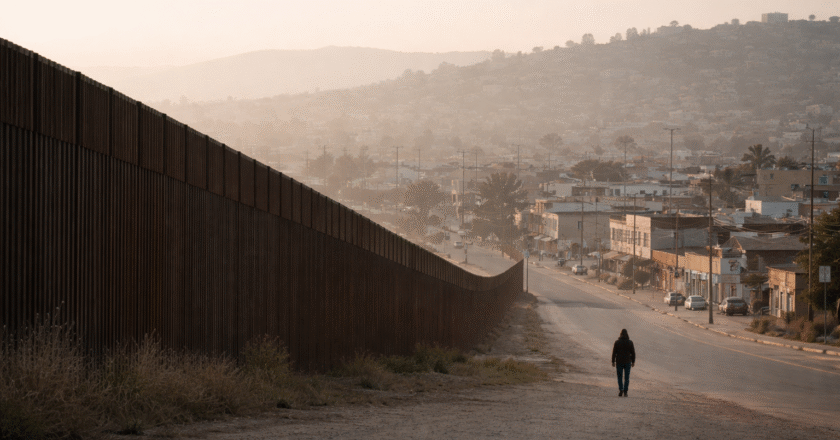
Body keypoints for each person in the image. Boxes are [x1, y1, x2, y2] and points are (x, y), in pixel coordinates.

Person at [611, 328, 636, 397]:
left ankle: (621, 389)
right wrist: (633, 361)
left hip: (619, 362)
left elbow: (614, 353)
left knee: (619, 377)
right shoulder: (630, 342)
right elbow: (633, 353)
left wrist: (613, 361)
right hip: (628, 362)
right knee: (627, 377)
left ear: (621, 334)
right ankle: (625, 391)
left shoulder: (617, 342)